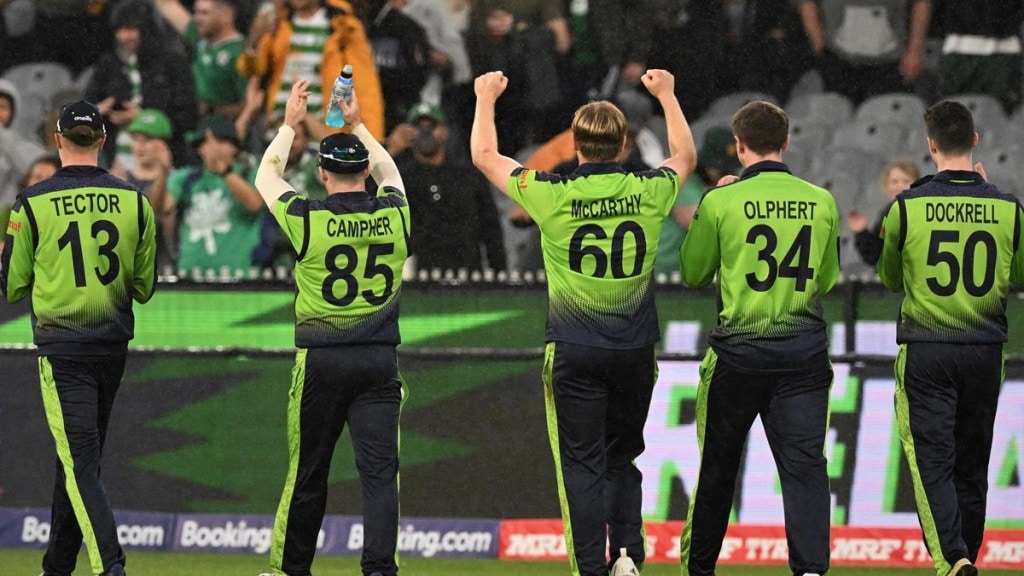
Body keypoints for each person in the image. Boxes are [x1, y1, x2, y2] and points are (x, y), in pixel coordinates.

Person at [471, 68, 697, 576]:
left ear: (575, 145)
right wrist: (667, 96)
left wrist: (486, 99)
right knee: (623, 458)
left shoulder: (552, 193)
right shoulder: (649, 191)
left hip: (574, 347)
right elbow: (685, 156)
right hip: (635, 348)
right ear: (623, 145)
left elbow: (485, 156)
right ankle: (628, 557)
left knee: (581, 464)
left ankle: (591, 568)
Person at [253, 79, 409, 576]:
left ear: (321, 173)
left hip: (321, 360)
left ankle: (288, 570)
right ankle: (380, 569)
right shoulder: (396, 213)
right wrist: (360, 123)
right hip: (380, 363)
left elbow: (266, 177)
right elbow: (392, 172)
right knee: (381, 476)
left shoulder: (307, 218)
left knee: (308, 473)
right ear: (365, 170)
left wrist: (289, 126)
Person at [678, 100, 840, 576]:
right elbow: (826, 280)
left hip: (737, 358)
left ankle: (700, 570)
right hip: (803, 358)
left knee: (719, 469)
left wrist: (714, 209)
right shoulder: (821, 200)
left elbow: (692, 272)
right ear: (785, 143)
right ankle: (810, 570)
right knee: (806, 468)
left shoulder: (721, 200)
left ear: (739, 145)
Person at [0, 100, 156, 576]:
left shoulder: (31, 203)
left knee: (80, 461)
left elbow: (11, 286)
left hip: (63, 348)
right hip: (112, 347)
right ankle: (57, 566)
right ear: (104, 141)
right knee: (78, 459)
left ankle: (111, 565)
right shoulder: (135, 201)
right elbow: (145, 288)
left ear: (59, 140)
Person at [877, 100, 1024, 576]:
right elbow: (1018, 275)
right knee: (973, 462)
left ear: (931, 145)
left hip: (928, 347)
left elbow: (891, 278)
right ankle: (967, 555)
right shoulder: (1009, 208)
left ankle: (953, 559)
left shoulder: (907, 206)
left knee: (932, 462)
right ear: (975, 142)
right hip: (985, 349)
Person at [238, 0, 386, 141]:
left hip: (320, 135)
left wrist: (370, 139)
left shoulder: (342, 26)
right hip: (277, 131)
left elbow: (365, 87)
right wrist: (253, 41)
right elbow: (251, 70)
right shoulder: (280, 23)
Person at [152, 114, 264, 277]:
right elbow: (159, 210)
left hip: (239, 277)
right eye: (202, 144)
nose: (208, 148)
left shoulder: (250, 174)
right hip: (190, 275)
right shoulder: (186, 178)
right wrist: (163, 173)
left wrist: (224, 172)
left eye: (217, 142)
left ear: (233, 147)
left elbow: (255, 204)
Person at [401, 102, 506, 274]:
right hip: (420, 277)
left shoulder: (467, 176)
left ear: (444, 131)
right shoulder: (401, 178)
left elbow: (491, 228)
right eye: (418, 128)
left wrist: (500, 272)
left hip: (467, 274)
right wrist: (392, 150)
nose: (425, 133)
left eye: (431, 127)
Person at [795, 0, 932, 104]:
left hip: (890, 63)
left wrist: (914, 52)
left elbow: (921, 3)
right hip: (838, 61)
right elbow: (806, 3)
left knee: (887, 123)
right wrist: (820, 48)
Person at [656, 125, 743, 279]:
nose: (724, 175)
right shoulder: (683, 181)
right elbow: (698, 224)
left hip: (688, 272)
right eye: (720, 170)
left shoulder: (715, 185)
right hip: (663, 272)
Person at [155, 0, 249, 118]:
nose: (197, 19)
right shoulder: (199, 38)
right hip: (196, 128)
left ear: (226, 15)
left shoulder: (241, 52)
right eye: (196, 12)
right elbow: (167, 4)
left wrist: (213, 109)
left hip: (224, 130)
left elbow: (248, 105)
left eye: (204, 13)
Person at [846, 158, 919, 266]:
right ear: (886, 185)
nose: (900, 186)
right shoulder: (888, 214)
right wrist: (861, 232)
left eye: (906, 181)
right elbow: (875, 255)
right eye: (894, 182)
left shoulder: (920, 212)